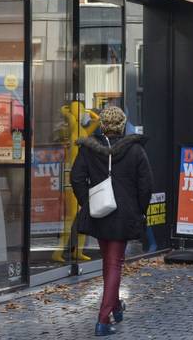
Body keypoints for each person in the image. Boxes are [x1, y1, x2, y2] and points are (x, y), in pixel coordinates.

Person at [71, 106, 153, 336]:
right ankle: (103, 320)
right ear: (122, 124)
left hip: (99, 212)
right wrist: (140, 210)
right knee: (115, 263)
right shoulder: (136, 150)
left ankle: (116, 307)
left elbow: (76, 178)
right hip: (124, 214)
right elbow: (146, 185)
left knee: (109, 261)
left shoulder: (88, 149)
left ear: (103, 124)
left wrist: (87, 202)